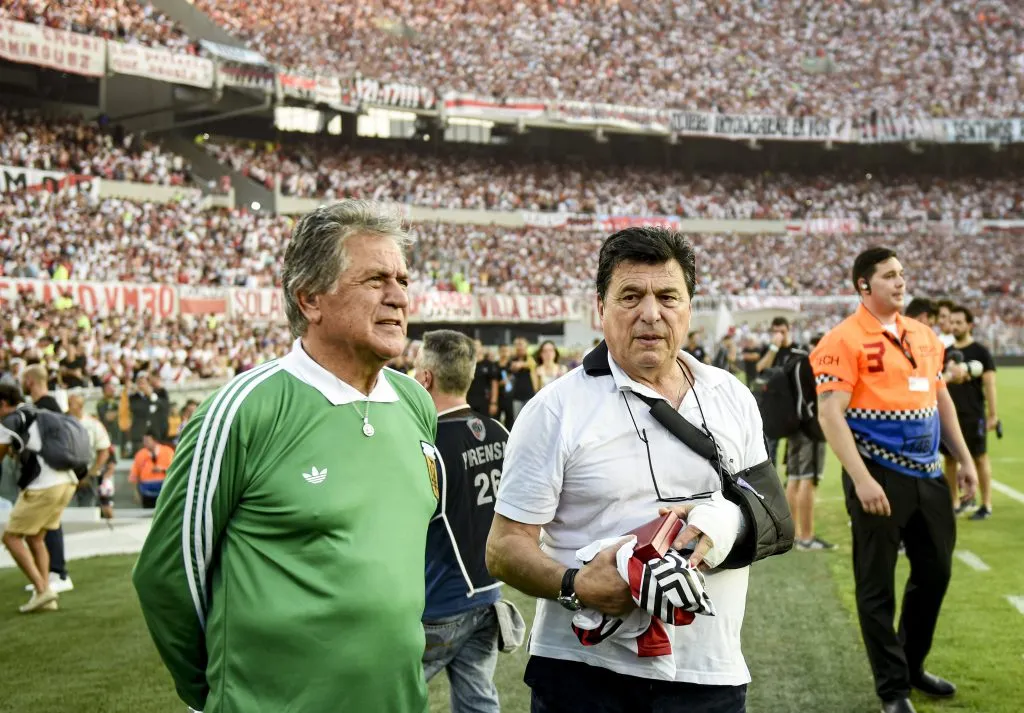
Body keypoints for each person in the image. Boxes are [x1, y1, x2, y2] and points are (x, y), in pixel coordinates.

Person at [132, 200, 441, 713]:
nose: (398, 297)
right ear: (310, 299)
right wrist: (216, 694)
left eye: (403, 280)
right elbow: (167, 577)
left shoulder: (415, 403)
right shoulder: (242, 410)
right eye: (375, 280)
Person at [487, 226, 776, 713]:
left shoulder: (732, 396)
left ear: (689, 307)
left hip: (710, 671)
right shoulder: (554, 409)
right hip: (583, 671)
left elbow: (771, 517)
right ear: (600, 307)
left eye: (668, 296)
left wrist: (722, 522)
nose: (651, 312)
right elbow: (503, 547)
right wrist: (575, 584)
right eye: (631, 296)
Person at [812, 247, 978, 713]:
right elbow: (830, 414)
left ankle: (911, 664)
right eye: (889, 275)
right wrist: (861, 479)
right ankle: (893, 690)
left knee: (936, 572)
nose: (900, 281)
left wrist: (963, 458)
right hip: (877, 474)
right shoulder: (840, 340)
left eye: (902, 273)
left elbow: (941, 400)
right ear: (864, 285)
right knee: (876, 585)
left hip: (928, 472)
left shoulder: (924, 336)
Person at [415, 330, 509, 713]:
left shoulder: (427, 444)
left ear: (425, 378)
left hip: (439, 604)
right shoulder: (500, 431)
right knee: (479, 703)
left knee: (382, 696)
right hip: (489, 597)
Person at [0, 383, 78, 613]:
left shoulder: (9, 422)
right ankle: (45, 597)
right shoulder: (34, 412)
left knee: (11, 538)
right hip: (66, 480)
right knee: (35, 538)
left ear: (2, 403)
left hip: (44, 484)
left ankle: (43, 590)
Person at [21, 364, 73, 593]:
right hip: (51, 475)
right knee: (45, 526)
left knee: (50, 525)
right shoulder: (49, 405)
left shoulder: (46, 407)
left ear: (30, 381)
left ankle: (58, 573)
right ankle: (49, 574)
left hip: (51, 475)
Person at [945, 306, 997, 520]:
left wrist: (992, 415)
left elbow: (990, 384)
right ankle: (954, 502)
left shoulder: (980, 352)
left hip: (973, 414)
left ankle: (986, 504)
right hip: (950, 416)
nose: (955, 326)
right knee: (949, 459)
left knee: (979, 458)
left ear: (969, 325)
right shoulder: (946, 352)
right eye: (952, 322)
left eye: (959, 322)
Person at [755, 317, 800, 465]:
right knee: (770, 447)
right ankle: (772, 478)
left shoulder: (797, 350)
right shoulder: (769, 349)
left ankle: (792, 476)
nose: (779, 335)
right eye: (775, 332)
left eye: (782, 331)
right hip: (772, 405)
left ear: (789, 330)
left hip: (791, 406)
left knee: (794, 448)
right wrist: (773, 349)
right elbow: (760, 369)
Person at [67, 391, 111, 508]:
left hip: (88, 475)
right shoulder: (62, 422)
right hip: (66, 476)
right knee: (67, 511)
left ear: (80, 406)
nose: (68, 407)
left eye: (71, 404)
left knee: (88, 509)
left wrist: (91, 473)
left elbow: (104, 451)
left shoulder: (93, 424)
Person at [129, 432, 173, 508]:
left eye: (147, 441)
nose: (145, 443)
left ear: (155, 441)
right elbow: (134, 475)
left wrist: (163, 470)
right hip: (146, 491)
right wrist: (136, 493)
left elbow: (174, 470)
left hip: (165, 489)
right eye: (144, 441)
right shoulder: (140, 454)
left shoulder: (168, 452)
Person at [467, 340, 501, 418]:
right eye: (472, 345)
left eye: (477, 345)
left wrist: (494, 403)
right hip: (469, 402)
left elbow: (494, 384)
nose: (475, 347)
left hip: (484, 402)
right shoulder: (466, 365)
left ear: (481, 348)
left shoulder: (489, 364)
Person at [508, 337, 537, 421]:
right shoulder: (512, 359)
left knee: (530, 420)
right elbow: (511, 368)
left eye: (521, 345)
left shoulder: (531, 358)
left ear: (526, 347)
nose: (519, 347)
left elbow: (533, 364)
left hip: (530, 395)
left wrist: (521, 364)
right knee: (517, 421)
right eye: (517, 345)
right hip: (516, 396)